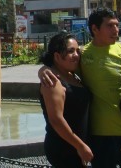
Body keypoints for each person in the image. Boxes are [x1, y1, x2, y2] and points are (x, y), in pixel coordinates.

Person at [41, 8, 121, 168]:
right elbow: (60, 66)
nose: (116, 29)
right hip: (100, 136)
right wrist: (44, 69)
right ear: (95, 29)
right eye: (110, 25)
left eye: (117, 25)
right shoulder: (83, 55)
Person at [39, 32, 92, 167]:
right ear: (57, 56)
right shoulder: (53, 81)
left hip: (75, 144)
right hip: (64, 147)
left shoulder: (72, 75)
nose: (76, 55)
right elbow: (56, 120)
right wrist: (80, 146)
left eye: (77, 51)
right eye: (70, 51)